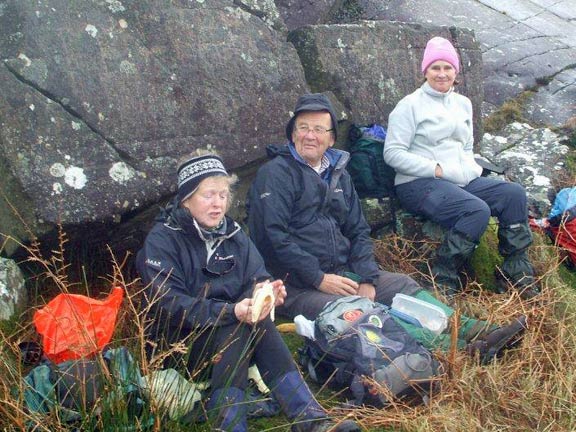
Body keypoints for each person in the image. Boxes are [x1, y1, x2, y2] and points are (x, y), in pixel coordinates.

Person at [246, 93, 526, 361]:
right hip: (294, 286)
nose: (310, 135)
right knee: (360, 312)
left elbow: (358, 230)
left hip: (343, 274)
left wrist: (367, 276)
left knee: (401, 285)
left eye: (319, 129)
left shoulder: (339, 174)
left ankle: (473, 330)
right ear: (292, 133)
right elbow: (273, 238)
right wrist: (318, 278)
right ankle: (459, 350)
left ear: (331, 138)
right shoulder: (275, 175)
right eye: (303, 127)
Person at [136, 153, 360, 432]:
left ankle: (311, 421)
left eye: (222, 194)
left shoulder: (233, 233)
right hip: (178, 348)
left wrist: (267, 292)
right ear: (186, 198)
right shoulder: (163, 239)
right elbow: (169, 303)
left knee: (253, 321)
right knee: (239, 325)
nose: (218, 203)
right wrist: (231, 311)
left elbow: (258, 276)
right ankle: (267, 423)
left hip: (233, 339)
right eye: (208, 195)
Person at [383, 36, 539, 299]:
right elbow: (392, 154)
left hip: (459, 180)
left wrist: (469, 168)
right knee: (476, 210)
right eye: (435, 68)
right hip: (417, 184)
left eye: (447, 67)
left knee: (513, 194)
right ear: (425, 71)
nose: (442, 74)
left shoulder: (463, 104)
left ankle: (515, 272)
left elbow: (466, 147)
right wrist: (438, 169)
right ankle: (442, 278)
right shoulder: (409, 105)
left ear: (456, 71)